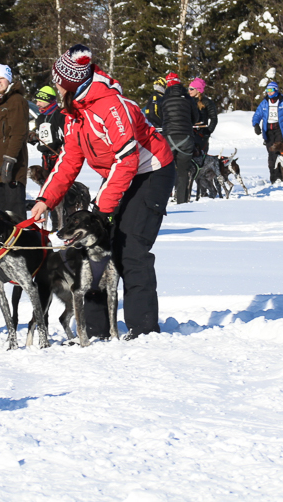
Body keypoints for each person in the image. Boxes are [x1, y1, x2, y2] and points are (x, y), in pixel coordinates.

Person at [30, 44, 175, 340]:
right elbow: (69, 160)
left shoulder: (110, 105)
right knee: (93, 247)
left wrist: (102, 211)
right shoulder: (73, 112)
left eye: (58, 80)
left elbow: (128, 159)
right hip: (119, 175)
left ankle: (144, 330)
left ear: (70, 83)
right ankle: (96, 330)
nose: (54, 85)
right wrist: (46, 200)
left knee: (130, 250)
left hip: (152, 172)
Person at [0, 64, 30, 219]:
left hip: (12, 170)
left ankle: (22, 242)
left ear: (9, 80)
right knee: (4, 217)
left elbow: (18, 133)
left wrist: (9, 161)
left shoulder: (16, 100)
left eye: (2, 78)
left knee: (15, 216)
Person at [161, 72, 199, 203]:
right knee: (183, 172)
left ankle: (163, 200)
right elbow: (196, 118)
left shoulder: (163, 99)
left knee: (166, 170)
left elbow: (161, 118)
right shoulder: (188, 99)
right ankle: (182, 201)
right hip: (186, 137)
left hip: (168, 138)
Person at [31, 85, 66, 179]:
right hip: (46, 159)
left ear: (48, 100)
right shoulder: (40, 118)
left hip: (60, 158)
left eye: (40, 101)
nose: (37, 104)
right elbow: (40, 134)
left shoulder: (61, 115)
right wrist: (32, 136)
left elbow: (67, 137)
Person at [188, 78, 218, 157]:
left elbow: (214, 118)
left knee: (200, 157)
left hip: (201, 135)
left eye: (191, 89)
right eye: (188, 89)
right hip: (189, 133)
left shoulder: (207, 102)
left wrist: (208, 132)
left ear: (198, 90)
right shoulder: (188, 101)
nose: (189, 91)